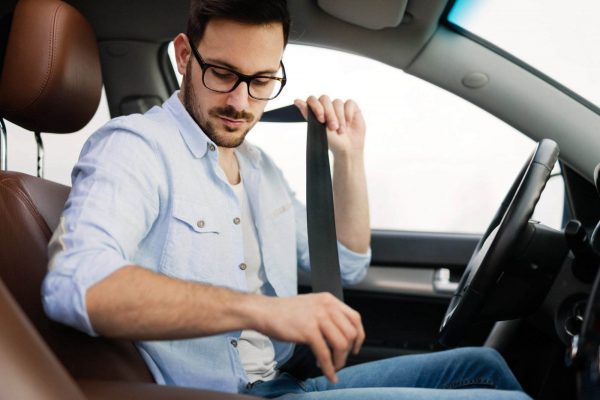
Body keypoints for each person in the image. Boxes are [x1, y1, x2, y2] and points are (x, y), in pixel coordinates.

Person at [42, 0, 530, 398]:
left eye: (260, 81)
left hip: (289, 382)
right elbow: (76, 284)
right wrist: (262, 310)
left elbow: (348, 263)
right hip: (228, 392)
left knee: (484, 365)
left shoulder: (259, 168)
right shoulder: (134, 148)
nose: (240, 102)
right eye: (222, 73)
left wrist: (348, 157)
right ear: (185, 56)